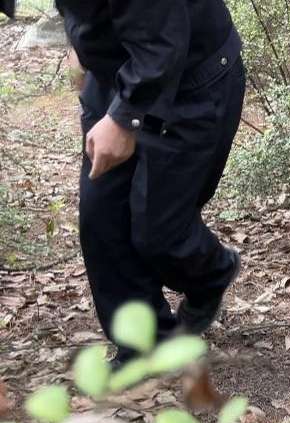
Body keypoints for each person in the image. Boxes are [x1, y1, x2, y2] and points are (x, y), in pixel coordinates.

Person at [56, 0, 247, 365]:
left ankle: (211, 273)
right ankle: (144, 343)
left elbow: (163, 39)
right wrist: (79, 39)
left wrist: (126, 117)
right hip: (119, 74)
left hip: (193, 80)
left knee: (159, 230)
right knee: (102, 217)